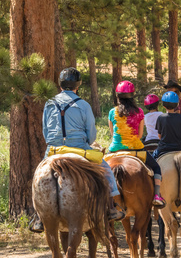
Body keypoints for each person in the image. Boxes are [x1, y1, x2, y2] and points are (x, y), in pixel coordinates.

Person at [30, 68, 125, 233]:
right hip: (79, 148)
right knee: (106, 169)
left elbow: (46, 131)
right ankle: (111, 207)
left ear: (60, 85)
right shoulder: (83, 105)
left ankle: (38, 216)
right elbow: (91, 134)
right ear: (78, 85)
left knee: (37, 175)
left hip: (54, 149)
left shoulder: (49, 103)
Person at [107, 81, 165, 207]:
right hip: (136, 149)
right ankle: (156, 195)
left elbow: (112, 134)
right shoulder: (139, 112)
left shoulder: (112, 112)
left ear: (117, 96)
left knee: (99, 170)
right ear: (132, 96)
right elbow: (139, 135)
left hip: (115, 149)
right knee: (156, 168)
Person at [153, 91, 181, 160]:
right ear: (177, 105)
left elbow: (159, 136)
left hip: (163, 148)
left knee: (152, 161)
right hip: (180, 147)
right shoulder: (180, 117)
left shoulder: (160, 118)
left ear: (164, 106)